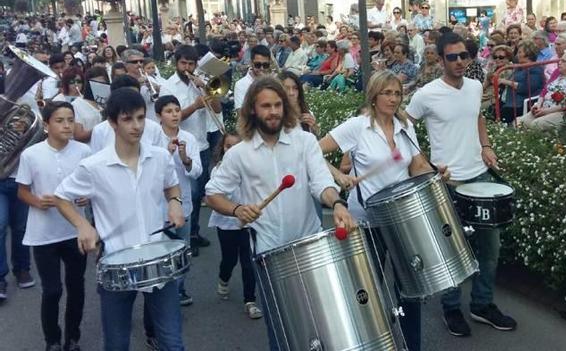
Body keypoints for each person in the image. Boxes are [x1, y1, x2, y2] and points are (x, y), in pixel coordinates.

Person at [205, 77, 356, 351]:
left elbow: (322, 183)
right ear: (252, 109)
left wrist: (337, 204)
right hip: (268, 253)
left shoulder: (305, 142)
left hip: (308, 245)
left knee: (321, 323)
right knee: (282, 328)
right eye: (265, 106)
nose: (273, 112)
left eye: (277, 105)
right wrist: (237, 209)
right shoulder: (239, 153)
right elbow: (212, 193)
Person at [319, 71, 448, 351]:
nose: (392, 99)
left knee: (410, 288)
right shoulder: (357, 126)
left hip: (402, 220)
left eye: (397, 93)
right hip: (366, 222)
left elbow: (416, 167)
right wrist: (337, 176)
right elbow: (313, 152)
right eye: (386, 93)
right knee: (370, 290)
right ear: (374, 97)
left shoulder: (405, 127)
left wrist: (435, 175)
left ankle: (411, 346)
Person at [54, 88, 187, 351]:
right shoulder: (93, 166)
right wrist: (83, 225)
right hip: (115, 262)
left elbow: (172, 185)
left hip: (158, 258)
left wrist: (175, 203)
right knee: (116, 344)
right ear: (113, 123)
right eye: (127, 119)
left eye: (140, 117)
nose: (136, 126)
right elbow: (60, 197)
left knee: (173, 343)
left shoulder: (159, 157)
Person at [406, 32, 517, 337]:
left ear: (470, 58)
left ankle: (482, 305)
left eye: (463, 56)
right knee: (451, 251)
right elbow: (403, 127)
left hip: (479, 178)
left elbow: (477, 117)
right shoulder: (426, 94)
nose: (458, 62)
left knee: (490, 248)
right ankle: (451, 308)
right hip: (447, 183)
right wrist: (422, 162)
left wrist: (485, 145)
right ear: (440, 59)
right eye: (451, 57)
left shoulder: (474, 86)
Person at [15, 102, 90, 351]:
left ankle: (73, 338)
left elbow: (92, 187)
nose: (67, 125)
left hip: (75, 231)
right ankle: (52, 340)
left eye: (70, 119)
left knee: (76, 287)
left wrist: (86, 197)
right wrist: (38, 202)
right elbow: (22, 191)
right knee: (52, 290)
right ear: (46, 126)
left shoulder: (84, 152)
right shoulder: (31, 154)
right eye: (60, 120)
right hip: (44, 234)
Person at [159, 45, 221, 256]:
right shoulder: (168, 87)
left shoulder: (199, 83)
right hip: (179, 145)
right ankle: (182, 235)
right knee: (188, 192)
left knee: (197, 194)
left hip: (201, 143)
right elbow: (171, 116)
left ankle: (193, 232)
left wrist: (207, 89)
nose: (187, 67)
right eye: (183, 63)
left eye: (191, 64)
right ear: (176, 63)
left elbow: (218, 109)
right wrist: (194, 106)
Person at [207, 131, 263, 320]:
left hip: (248, 222)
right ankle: (224, 278)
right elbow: (217, 196)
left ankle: (250, 301)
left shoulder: (252, 167)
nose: (231, 150)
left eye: (236, 146)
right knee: (229, 259)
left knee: (249, 262)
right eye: (228, 146)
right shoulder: (219, 170)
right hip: (227, 223)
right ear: (222, 148)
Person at [154, 95, 203, 305]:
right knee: (161, 251)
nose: (174, 114)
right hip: (158, 206)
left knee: (182, 250)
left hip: (184, 204)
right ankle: (161, 291)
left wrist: (185, 159)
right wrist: (166, 153)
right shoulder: (152, 139)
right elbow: (149, 173)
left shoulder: (189, 138)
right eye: (168, 111)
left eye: (177, 110)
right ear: (159, 116)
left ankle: (180, 289)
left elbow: (197, 172)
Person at [520, 49, 566, 131]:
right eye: (560, 60)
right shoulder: (557, 72)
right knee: (522, 122)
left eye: (564, 61)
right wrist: (538, 105)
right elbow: (544, 91)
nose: (559, 62)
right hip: (544, 108)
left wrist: (546, 111)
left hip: (563, 112)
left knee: (536, 124)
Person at [72, 66, 107, 146]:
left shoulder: (107, 103)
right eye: (94, 83)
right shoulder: (77, 105)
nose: (98, 86)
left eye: (102, 83)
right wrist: (103, 126)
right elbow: (78, 135)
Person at [233, 44, 272, 113]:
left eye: (265, 65)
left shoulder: (273, 83)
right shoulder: (241, 84)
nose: (261, 68)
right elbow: (241, 113)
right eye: (258, 65)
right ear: (251, 63)